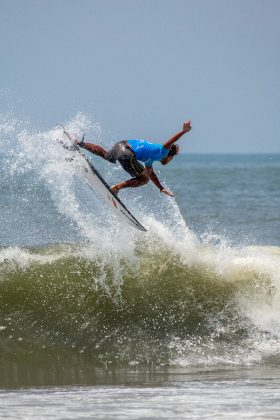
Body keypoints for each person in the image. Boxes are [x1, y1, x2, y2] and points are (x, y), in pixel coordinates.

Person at [76, 120, 192, 196]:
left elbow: (150, 173)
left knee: (108, 156)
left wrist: (161, 188)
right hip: (128, 153)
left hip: (121, 145)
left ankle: (79, 143)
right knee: (144, 179)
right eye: (172, 158)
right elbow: (172, 141)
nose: (170, 161)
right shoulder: (163, 151)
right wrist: (183, 131)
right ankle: (116, 188)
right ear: (170, 155)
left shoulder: (151, 158)